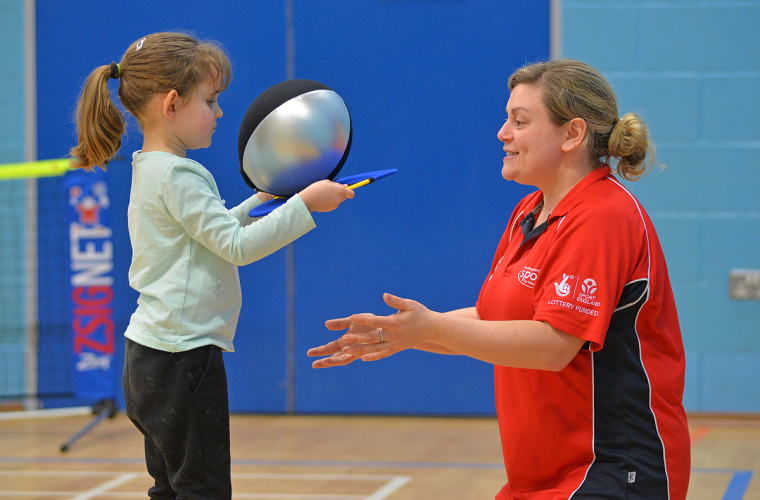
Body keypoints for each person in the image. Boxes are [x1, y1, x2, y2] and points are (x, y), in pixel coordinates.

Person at [308, 59, 691, 500]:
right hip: (541, 475)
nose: (502, 133)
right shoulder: (529, 211)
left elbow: (553, 346)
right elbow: (492, 318)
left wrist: (431, 327)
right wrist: (402, 334)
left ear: (573, 134)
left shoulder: (605, 214)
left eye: (520, 121)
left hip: (613, 471)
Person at [70, 32, 354, 500]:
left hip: (149, 359)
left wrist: (264, 200)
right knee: (202, 489)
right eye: (211, 100)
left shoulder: (153, 168)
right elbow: (235, 247)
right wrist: (305, 205)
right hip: (183, 360)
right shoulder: (181, 174)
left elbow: (209, 233)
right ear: (172, 104)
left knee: (170, 487)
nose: (220, 113)